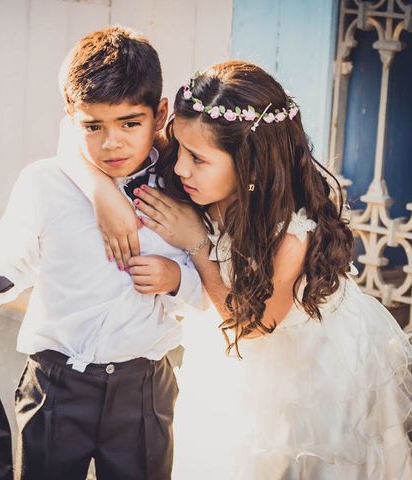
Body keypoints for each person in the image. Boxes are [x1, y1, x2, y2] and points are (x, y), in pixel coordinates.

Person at [71, 60, 412, 479]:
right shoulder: (199, 158)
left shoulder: (290, 236)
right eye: (179, 148)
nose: (179, 168)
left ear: (250, 163)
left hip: (306, 369)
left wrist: (196, 242)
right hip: (228, 360)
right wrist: (99, 188)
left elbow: (251, 328)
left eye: (197, 159)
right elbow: (76, 131)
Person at [0, 26, 204, 480]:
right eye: (93, 127)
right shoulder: (44, 182)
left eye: (130, 123)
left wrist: (174, 278)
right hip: (55, 384)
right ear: (71, 118)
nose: (112, 143)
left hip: (143, 388)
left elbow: (208, 283)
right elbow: (13, 255)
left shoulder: (183, 187)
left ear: (160, 113)